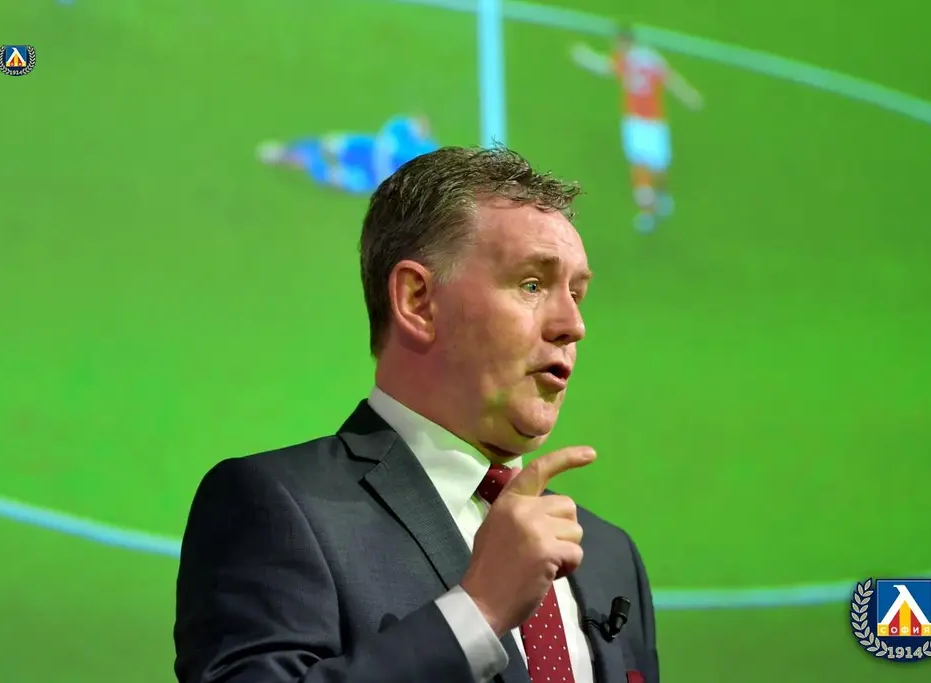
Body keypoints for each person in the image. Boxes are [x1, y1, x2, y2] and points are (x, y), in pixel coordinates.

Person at [174, 146, 659, 683]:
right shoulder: (275, 508)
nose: (573, 325)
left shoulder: (609, 555)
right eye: (532, 285)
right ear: (418, 300)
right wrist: (478, 612)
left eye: (577, 293)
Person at [572, 26, 703, 233]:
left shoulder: (628, 60)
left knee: (651, 166)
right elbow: (670, 79)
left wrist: (583, 56)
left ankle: (657, 202)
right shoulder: (650, 57)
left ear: (626, 42)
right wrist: (689, 96)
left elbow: (603, 68)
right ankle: (651, 209)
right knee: (646, 165)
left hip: (643, 122)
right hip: (648, 122)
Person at [257, 114, 439, 194]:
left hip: (370, 175)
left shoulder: (421, 181)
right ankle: (284, 152)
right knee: (326, 144)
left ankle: (294, 159)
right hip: (367, 149)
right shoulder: (427, 147)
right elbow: (410, 124)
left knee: (330, 176)